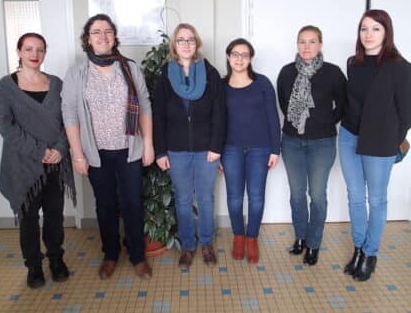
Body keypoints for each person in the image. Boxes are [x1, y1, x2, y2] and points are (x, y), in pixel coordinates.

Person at [61, 14, 154, 280]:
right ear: (88, 39)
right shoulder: (77, 73)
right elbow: (69, 113)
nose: (102, 36)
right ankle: (110, 254)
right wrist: (77, 154)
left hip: (129, 149)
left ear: (114, 37)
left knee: (133, 203)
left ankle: (138, 256)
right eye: (96, 32)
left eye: (108, 31)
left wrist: (148, 144)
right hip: (96, 153)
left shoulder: (130, 68)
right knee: (105, 205)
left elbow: (145, 105)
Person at [0, 32, 76, 289]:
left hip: (55, 164)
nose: (34, 54)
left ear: (45, 52)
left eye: (40, 49)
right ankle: (34, 266)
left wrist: (60, 149)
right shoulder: (6, 86)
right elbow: (5, 126)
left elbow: (68, 120)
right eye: (28, 49)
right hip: (23, 165)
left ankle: (56, 259)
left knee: (54, 215)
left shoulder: (57, 84)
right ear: (19, 52)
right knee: (28, 219)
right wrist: (40, 151)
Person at [339, 9, 411, 281]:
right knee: (355, 197)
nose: (368, 34)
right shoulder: (353, 63)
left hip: (380, 141)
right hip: (349, 136)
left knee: (377, 199)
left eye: (375, 29)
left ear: (386, 32)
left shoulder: (399, 67)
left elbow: (407, 111)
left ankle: (371, 253)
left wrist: (393, 141)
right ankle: (359, 248)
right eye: (364, 29)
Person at [153, 23, 226, 269]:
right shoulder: (166, 74)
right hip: (176, 150)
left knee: (205, 198)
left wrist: (216, 147)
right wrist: (160, 151)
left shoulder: (210, 73)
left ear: (197, 43)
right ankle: (187, 245)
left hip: (206, 149)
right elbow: (158, 115)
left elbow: (219, 113)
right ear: (174, 45)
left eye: (190, 39)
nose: (186, 44)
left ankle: (206, 243)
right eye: (181, 40)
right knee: (183, 199)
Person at [277, 25, 346, 266]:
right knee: (297, 194)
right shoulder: (286, 72)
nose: (307, 47)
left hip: (322, 143)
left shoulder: (333, 72)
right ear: (297, 44)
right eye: (302, 41)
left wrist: (325, 121)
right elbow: (283, 104)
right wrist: (299, 121)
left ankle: (314, 244)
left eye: (312, 41)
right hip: (291, 142)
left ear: (320, 44)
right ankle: (301, 238)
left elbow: (344, 104)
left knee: (316, 194)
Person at [220, 38, 281, 264]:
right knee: (235, 198)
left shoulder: (262, 83)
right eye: (235, 54)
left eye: (244, 55)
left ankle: (252, 237)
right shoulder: (220, 85)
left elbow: (273, 117)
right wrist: (216, 152)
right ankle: (238, 235)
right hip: (230, 149)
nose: (239, 59)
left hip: (260, 148)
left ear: (250, 58)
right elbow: (215, 121)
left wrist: (275, 149)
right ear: (228, 57)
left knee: (256, 197)